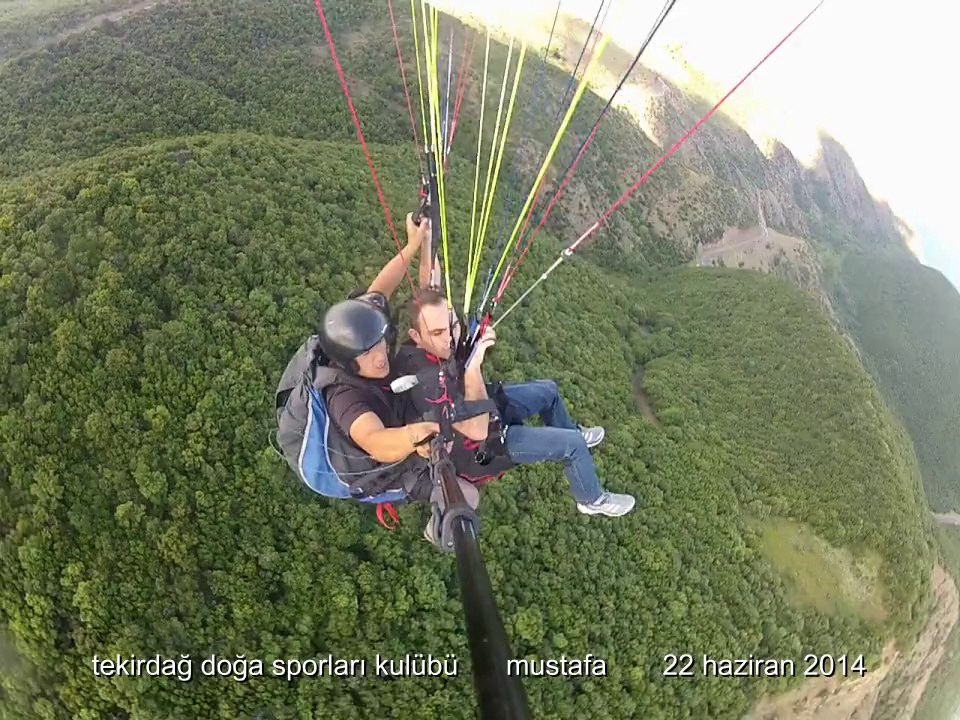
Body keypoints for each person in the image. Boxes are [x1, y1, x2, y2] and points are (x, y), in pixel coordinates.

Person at [393, 287, 636, 518]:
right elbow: (477, 430)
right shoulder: (424, 384)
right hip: (481, 448)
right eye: (438, 333)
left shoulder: (434, 341)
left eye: (452, 326)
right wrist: (474, 365)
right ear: (416, 336)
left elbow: (430, 274)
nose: (450, 338)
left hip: (486, 405)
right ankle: (591, 499)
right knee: (572, 446)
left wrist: (423, 244)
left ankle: (570, 431)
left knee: (548, 392)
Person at [317, 213, 481, 521]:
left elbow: (381, 289)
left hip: (399, 404)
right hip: (387, 466)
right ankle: (435, 528)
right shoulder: (345, 397)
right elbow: (375, 441)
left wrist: (414, 244)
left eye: (381, 343)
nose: (381, 356)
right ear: (349, 363)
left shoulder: (367, 327)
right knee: (468, 496)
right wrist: (410, 438)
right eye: (367, 355)